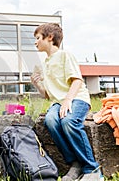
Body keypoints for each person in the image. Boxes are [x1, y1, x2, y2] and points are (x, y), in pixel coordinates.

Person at [31, 23, 103, 181]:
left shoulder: (65, 55)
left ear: (50, 37)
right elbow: (48, 95)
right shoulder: (44, 64)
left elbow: (77, 81)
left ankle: (93, 169)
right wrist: (37, 84)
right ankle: (75, 164)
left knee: (68, 121)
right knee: (50, 120)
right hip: (58, 101)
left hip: (77, 97)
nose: (35, 42)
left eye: (37, 38)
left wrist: (68, 100)